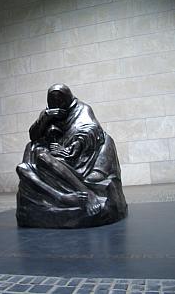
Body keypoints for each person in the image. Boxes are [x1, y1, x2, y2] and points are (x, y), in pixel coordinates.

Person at [16, 84, 127, 228]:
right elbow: (34, 135)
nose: (57, 104)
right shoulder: (48, 113)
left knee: (106, 140)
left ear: (68, 98)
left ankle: (83, 190)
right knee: (32, 154)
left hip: (76, 153)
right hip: (51, 151)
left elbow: (91, 128)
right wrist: (45, 119)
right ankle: (67, 195)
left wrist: (72, 147)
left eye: (60, 100)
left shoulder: (82, 109)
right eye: (53, 100)